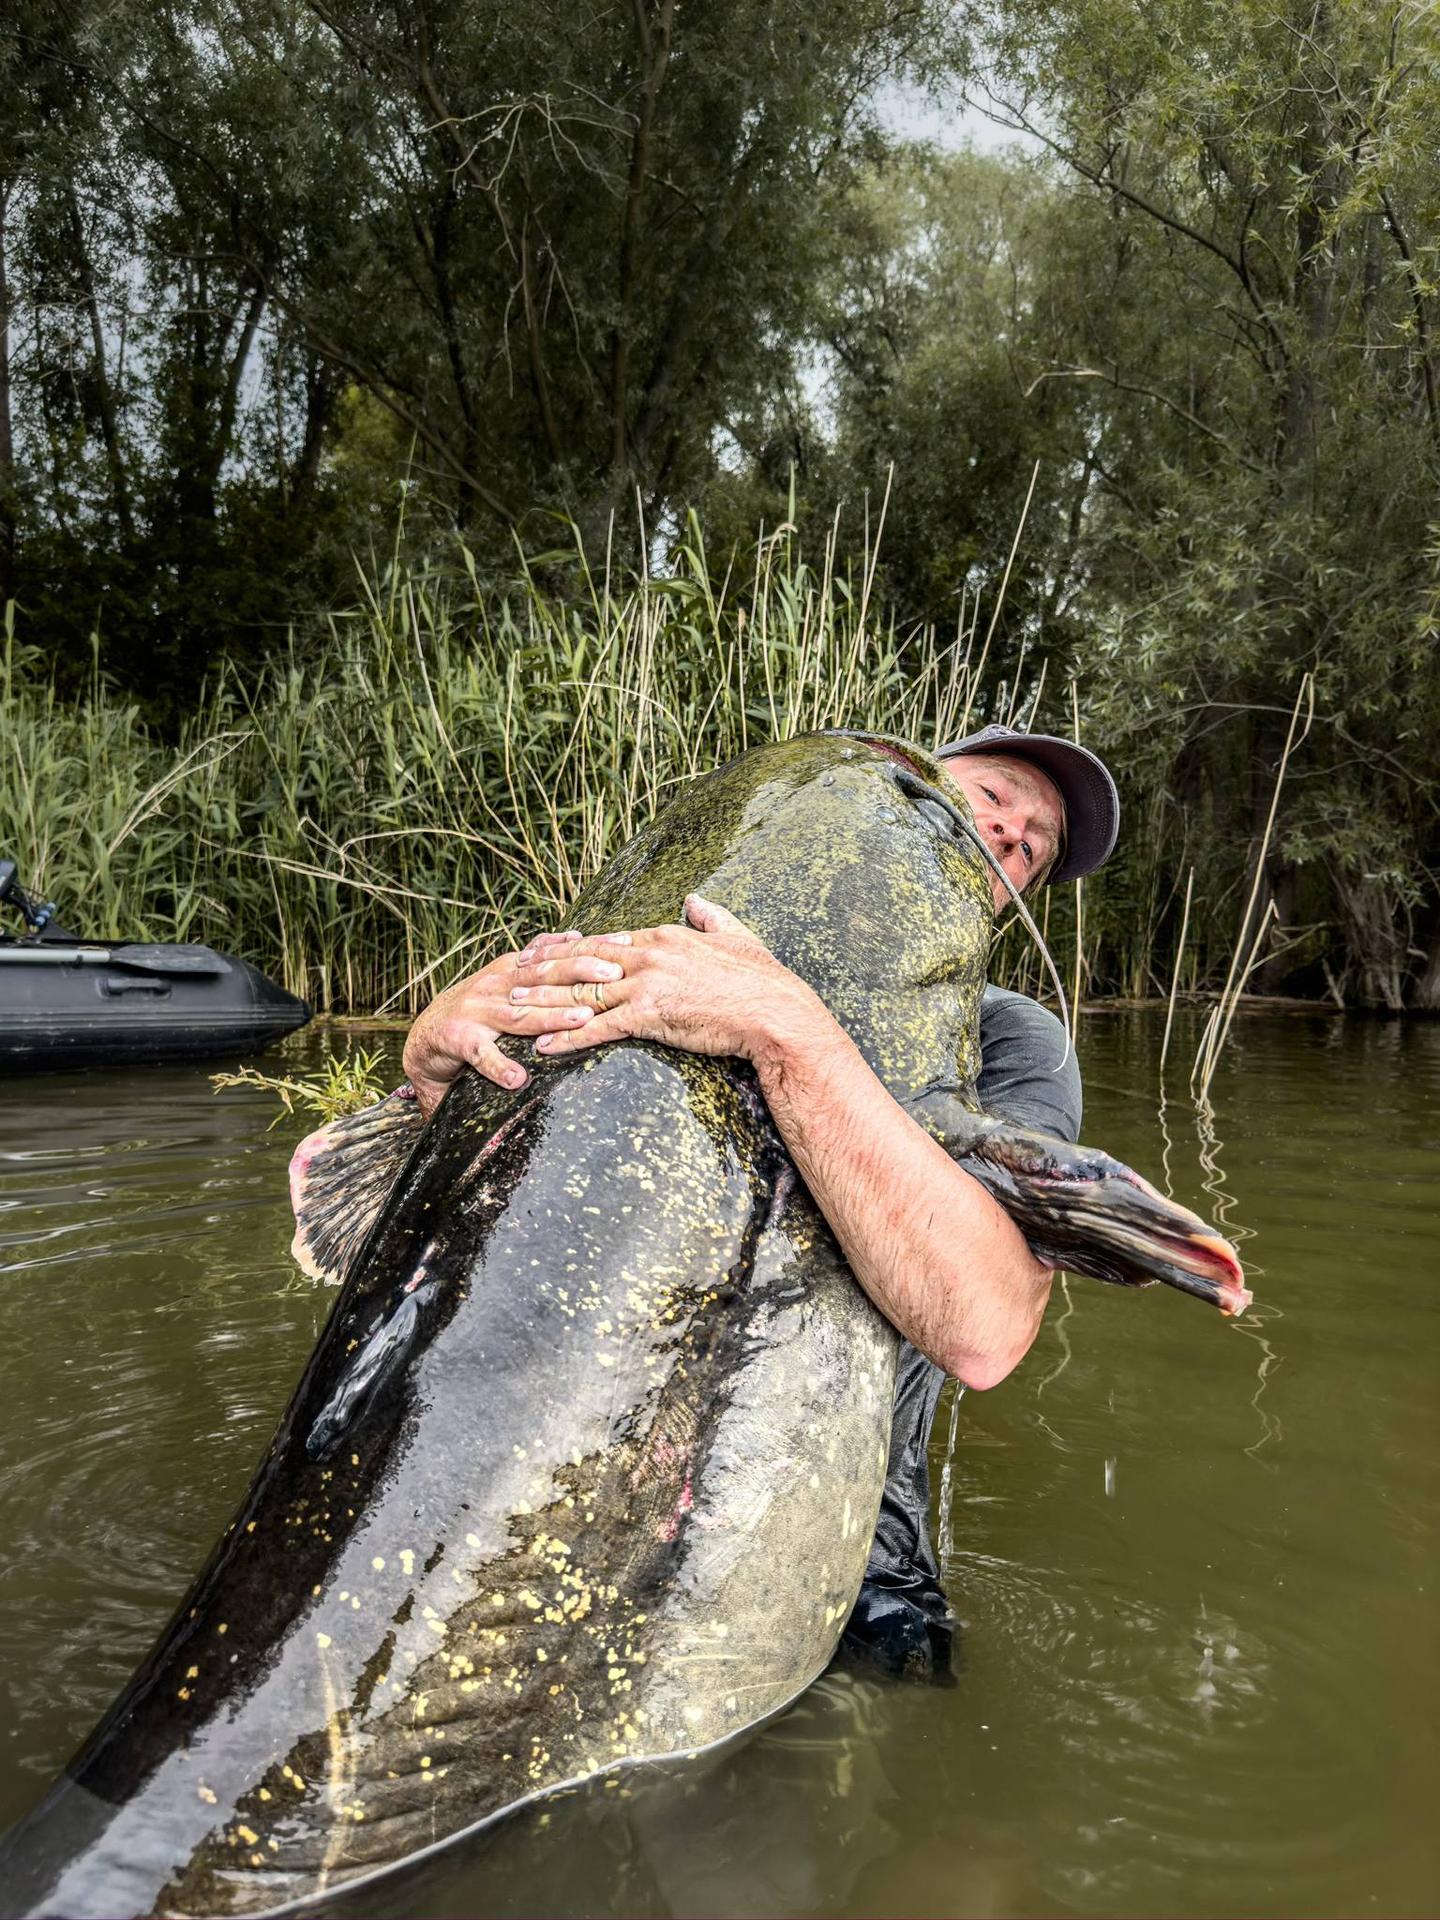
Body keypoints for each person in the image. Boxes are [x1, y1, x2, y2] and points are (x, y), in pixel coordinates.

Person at [401, 722, 1120, 1679]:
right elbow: (461, 1242)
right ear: (899, 793)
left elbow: (984, 1328)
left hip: (838, 1563)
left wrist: (782, 1028)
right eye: (992, 797)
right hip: (524, 1511)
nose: (1014, 835)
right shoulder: (659, 952)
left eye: (1039, 846)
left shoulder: (1014, 1044)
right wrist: (432, 1072)